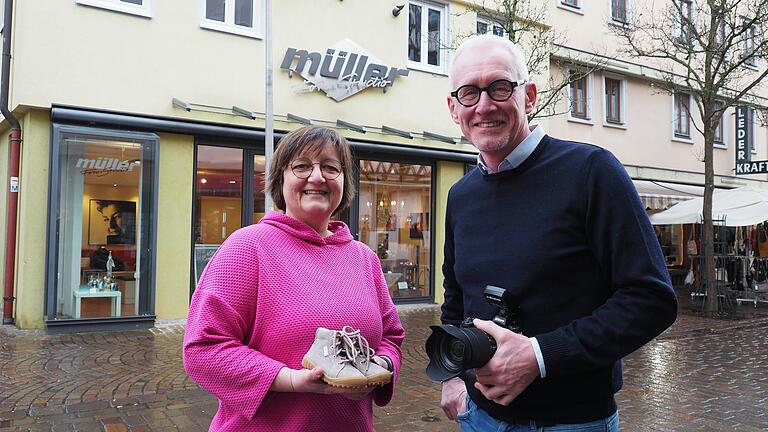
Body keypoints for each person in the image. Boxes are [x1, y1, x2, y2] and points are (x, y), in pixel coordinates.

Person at [439, 34, 677, 431]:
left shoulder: (592, 172)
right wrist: (450, 375)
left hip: (573, 421)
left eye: (500, 87)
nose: (484, 105)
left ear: (528, 96)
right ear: (453, 108)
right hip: (480, 419)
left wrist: (539, 355)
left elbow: (651, 299)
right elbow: (455, 298)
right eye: (468, 92)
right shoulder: (461, 195)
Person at [183, 125, 404, 431]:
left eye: (330, 167)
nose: (317, 177)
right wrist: (287, 379)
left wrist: (379, 367)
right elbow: (203, 349)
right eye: (301, 166)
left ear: (343, 181)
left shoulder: (363, 258)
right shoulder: (248, 247)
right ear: (280, 179)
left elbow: (392, 338)